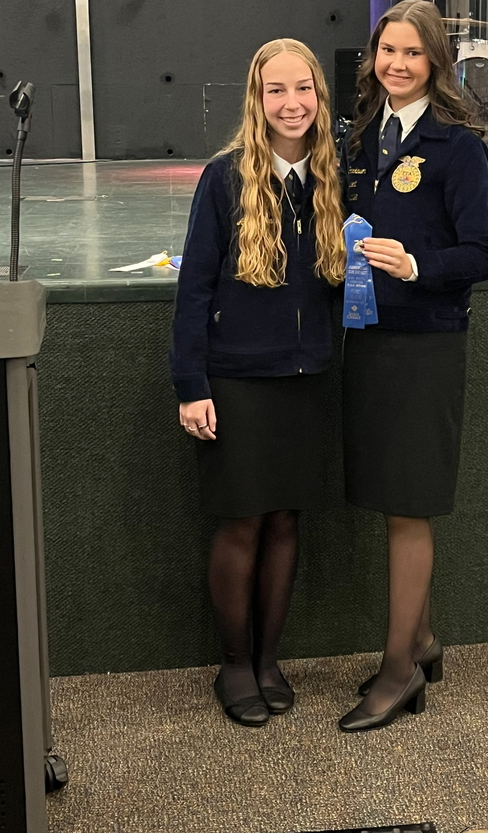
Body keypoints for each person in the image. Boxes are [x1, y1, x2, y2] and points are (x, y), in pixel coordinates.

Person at [337, 0, 488, 732]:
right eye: (386, 51)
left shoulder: (457, 145)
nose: (397, 64)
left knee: (409, 506)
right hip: (368, 341)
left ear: (435, 61)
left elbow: (485, 253)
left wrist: (416, 264)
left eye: (412, 52)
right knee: (388, 495)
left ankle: (401, 670)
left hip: (426, 344)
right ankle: (425, 638)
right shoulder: (360, 138)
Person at [170, 39, 345, 727]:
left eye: (303, 89)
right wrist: (191, 383)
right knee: (242, 523)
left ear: (318, 97)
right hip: (236, 380)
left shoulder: (335, 177)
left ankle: (270, 659)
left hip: (307, 379)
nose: (292, 103)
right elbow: (192, 290)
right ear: (257, 98)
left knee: (284, 521)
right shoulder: (223, 179)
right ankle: (235, 664)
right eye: (277, 91)